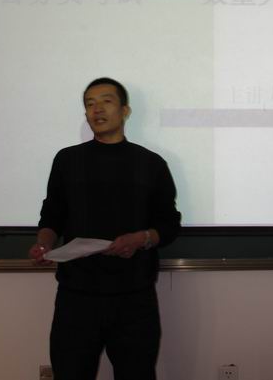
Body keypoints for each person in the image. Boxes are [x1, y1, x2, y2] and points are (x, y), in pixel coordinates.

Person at [29, 77, 181, 380]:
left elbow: (169, 224)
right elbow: (52, 216)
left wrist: (142, 239)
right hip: (76, 297)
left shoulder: (151, 163)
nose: (97, 109)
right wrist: (44, 243)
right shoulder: (67, 160)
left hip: (134, 297)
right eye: (90, 104)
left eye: (106, 101)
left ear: (125, 111)